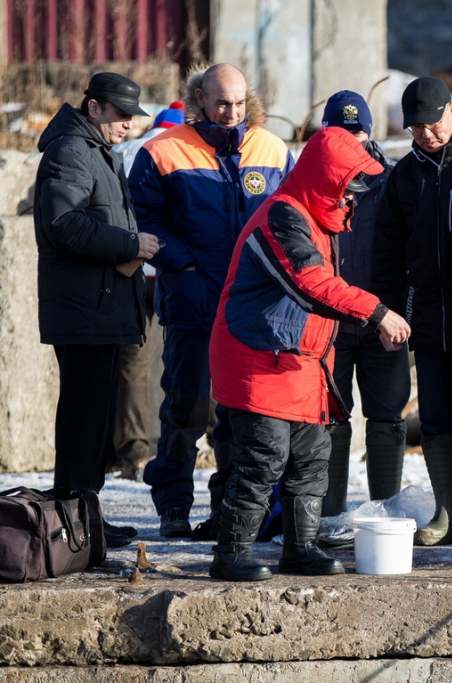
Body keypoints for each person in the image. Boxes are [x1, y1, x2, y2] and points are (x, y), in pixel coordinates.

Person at [207, 126, 410, 581]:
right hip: (257, 356)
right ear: (325, 180)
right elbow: (310, 286)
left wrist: (365, 321)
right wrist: (377, 314)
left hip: (301, 361)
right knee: (263, 457)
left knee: (312, 458)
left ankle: (300, 549)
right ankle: (231, 553)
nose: (352, 198)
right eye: (347, 187)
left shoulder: (318, 218)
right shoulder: (281, 216)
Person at [129, 64, 295, 539]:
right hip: (192, 299)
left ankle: (231, 509)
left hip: (249, 307)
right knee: (187, 408)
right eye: (223, 103)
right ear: (199, 97)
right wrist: (184, 264)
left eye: (240, 103)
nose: (232, 112)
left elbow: (288, 216)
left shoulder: (270, 147)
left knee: (239, 412)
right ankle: (174, 506)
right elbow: (144, 217)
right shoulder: (162, 150)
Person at [374, 76, 452, 549]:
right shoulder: (404, 177)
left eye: (432, 123)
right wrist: (385, 312)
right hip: (427, 316)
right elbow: (387, 251)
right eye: (415, 128)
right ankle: (451, 513)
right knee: (436, 420)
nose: (425, 134)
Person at [33, 72, 161, 547]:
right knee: (83, 421)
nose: (129, 124)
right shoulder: (70, 150)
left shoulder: (94, 151)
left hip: (99, 308)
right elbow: (65, 224)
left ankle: (86, 518)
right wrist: (130, 242)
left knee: (93, 421)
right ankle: (76, 527)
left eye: (132, 117)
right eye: (122, 115)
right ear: (94, 109)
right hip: (84, 311)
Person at [318, 90, 409, 519]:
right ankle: (331, 513)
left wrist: (400, 312)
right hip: (330, 325)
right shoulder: (311, 183)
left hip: (383, 321)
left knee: (388, 417)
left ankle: (385, 512)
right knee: (330, 417)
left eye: (356, 133)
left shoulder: (391, 182)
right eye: (339, 132)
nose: (349, 141)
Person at [110, 101, 186, 482]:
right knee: (180, 357)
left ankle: (133, 451)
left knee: (132, 362)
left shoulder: (124, 151)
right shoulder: (185, 150)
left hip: (132, 268)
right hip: (175, 268)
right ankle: (180, 441)